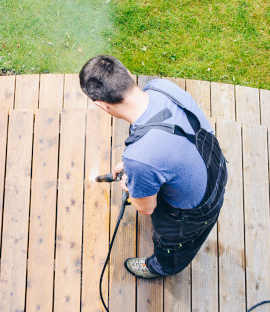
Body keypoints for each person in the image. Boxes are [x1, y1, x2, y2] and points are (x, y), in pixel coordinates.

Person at [79, 55, 227, 278]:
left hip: (195, 212)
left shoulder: (139, 159)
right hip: (214, 167)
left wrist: (134, 181)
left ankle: (162, 267)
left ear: (102, 105)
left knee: (174, 247)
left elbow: (145, 208)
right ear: (128, 73)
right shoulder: (161, 88)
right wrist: (137, 165)